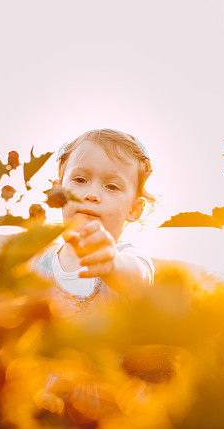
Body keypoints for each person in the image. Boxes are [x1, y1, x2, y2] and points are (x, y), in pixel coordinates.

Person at [30, 128, 156, 319]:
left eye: (111, 186)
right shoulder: (35, 262)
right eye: (80, 180)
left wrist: (112, 264)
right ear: (58, 192)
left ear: (134, 209)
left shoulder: (127, 259)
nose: (92, 194)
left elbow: (139, 278)